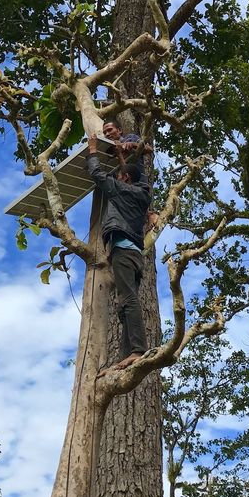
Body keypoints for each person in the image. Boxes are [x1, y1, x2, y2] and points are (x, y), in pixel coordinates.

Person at [86, 132, 151, 371]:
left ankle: (137, 350)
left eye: (120, 175)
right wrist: (123, 157)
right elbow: (136, 172)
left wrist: (93, 150)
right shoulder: (142, 192)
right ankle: (128, 355)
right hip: (135, 255)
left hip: (123, 250)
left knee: (129, 300)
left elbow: (97, 174)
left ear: (124, 179)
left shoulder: (122, 190)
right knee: (125, 304)